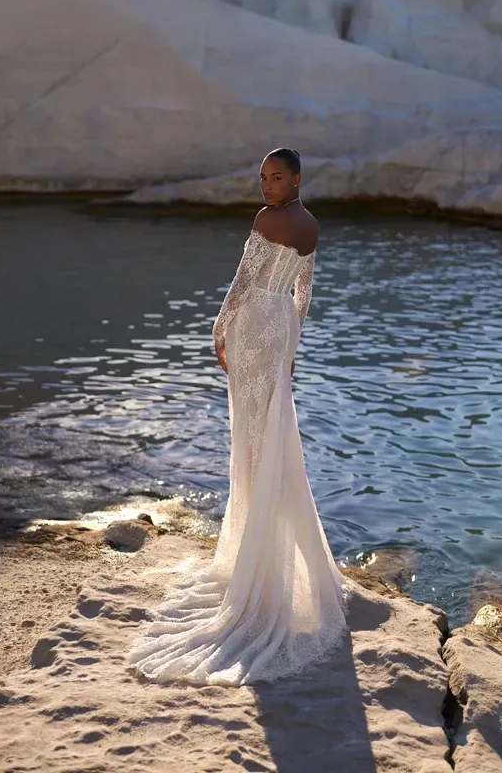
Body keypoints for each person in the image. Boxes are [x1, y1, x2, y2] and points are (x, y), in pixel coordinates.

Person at [129, 148, 347, 685]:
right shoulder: (312, 226)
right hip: (280, 329)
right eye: (263, 178)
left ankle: (256, 547)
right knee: (273, 431)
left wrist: (219, 325)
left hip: (253, 324)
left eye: (276, 177)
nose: (266, 186)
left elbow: (244, 281)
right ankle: (267, 538)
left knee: (250, 435)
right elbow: (304, 292)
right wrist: (293, 340)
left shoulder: (266, 220)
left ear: (296, 178)